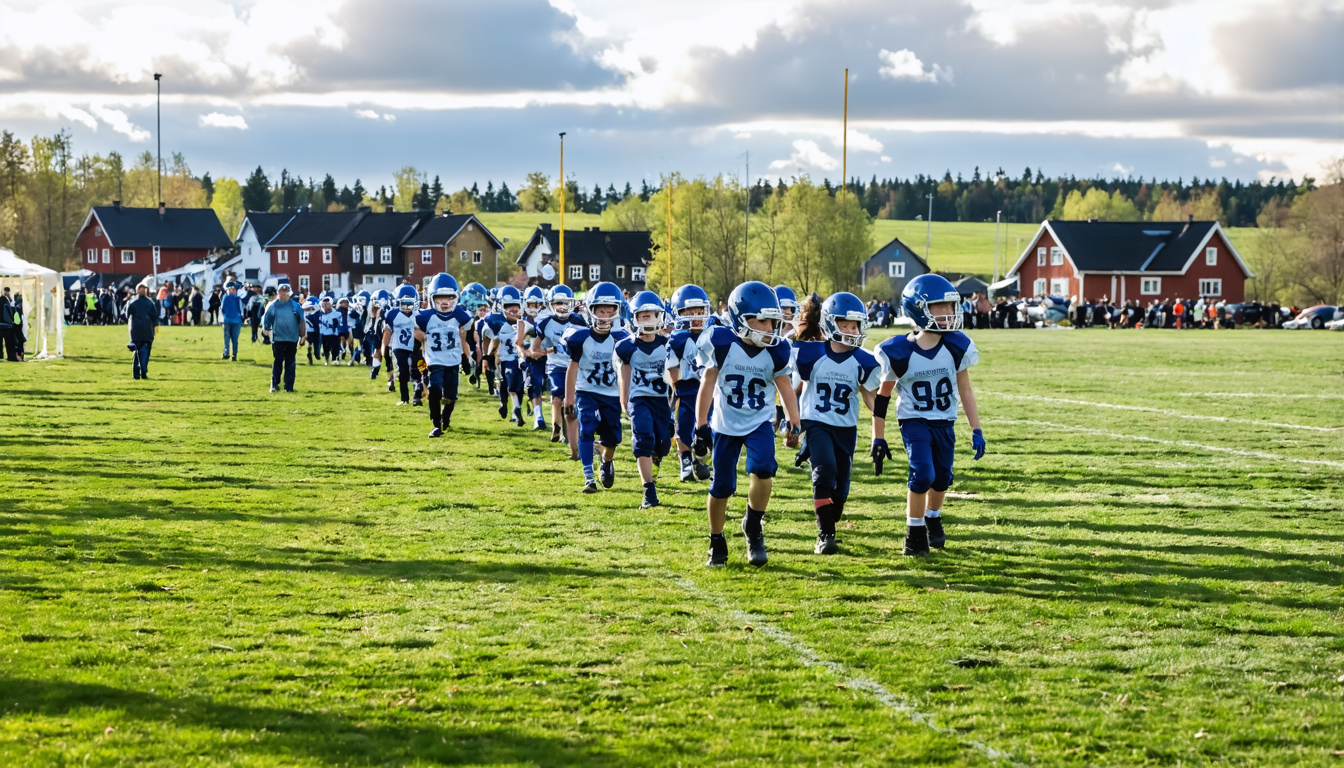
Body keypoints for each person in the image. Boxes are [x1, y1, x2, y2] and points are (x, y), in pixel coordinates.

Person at [871, 274, 985, 557]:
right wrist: (878, 436)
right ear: (918, 309)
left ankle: (933, 516)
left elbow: (966, 390)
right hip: (914, 420)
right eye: (940, 307)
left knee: (942, 478)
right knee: (923, 473)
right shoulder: (898, 351)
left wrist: (976, 428)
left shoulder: (956, 345)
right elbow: (883, 396)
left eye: (950, 307)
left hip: (944, 420)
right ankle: (914, 533)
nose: (948, 313)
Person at [695, 281, 800, 567]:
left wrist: (794, 420)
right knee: (722, 485)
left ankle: (753, 525)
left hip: (759, 421)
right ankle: (716, 539)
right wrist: (701, 424)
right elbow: (707, 384)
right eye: (763, 320)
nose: (770, 328)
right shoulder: (721, 342)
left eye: (773, 321)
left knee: (764, 468)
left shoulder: (777, 350)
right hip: (726, 423)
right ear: (741, 318)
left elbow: (785, 387)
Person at [792, 292, 882, 555]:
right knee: (825, 472)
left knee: (840, 492)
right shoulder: (809, 353)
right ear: (830, 323)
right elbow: (794, 389)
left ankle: (830, 519)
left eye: (855, 325)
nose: (852, 330)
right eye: (846, 324)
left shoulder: (863, 359)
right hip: (816, 423)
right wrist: (792, 424)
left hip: (846, 429)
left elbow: (870, 397)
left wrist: (885, 426)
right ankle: (825, 536)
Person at [563, 282, 629, 493]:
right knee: (587, 429)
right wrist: (569, 397)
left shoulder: (622, 339)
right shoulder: (580, 338)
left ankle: (606, 460)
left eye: (611, 310)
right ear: (591, 310)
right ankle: (588, 477)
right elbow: (572, 367)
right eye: (601, 310)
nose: (606, 315)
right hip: (586, 391)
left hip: (611, 394)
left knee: (612, 438)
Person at [617, 290, 675, 509]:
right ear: (634, 318)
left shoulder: (668, 345)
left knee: (662, 444)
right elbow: (625, 371)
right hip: (639, 397)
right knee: (643, 437)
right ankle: (649, 492)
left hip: (661, 400)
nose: (649, 320)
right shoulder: (626, 346)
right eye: (643, 316)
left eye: (652, 315)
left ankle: (656, 459)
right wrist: (624, 399)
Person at [665, 284, 715, 483]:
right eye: (691, 312)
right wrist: (677, 381)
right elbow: (672, 370)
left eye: (700, 311)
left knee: (707, 426)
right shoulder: (677, 339)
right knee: (683, 427)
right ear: (680, 314)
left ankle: (702, 461)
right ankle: (685, 461)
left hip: (708, 390)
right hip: (685, 391)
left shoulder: (711, 336)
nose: (696, 316)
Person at [415, 273, 472, 436]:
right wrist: (421, 365)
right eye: (440, 298)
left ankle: (445, 418)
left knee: (451, 397)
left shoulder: (460, 315)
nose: (445, 302)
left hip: (453, 361)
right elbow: (416, 347)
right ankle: (436, 424)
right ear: (432, 298)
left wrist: (465, 360)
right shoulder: (424, 317)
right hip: (434, 361)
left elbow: (465, 338)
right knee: (434, 389)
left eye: (449, 297)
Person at [534, 285, 587, 456]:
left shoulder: (579, 321)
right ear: (551, 304)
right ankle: (556, 425)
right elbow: (535, 349)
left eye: (565, 303)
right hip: (556, 364)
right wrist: (549, 351)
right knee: (557, 397)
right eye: (558, 303)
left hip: (575, 364)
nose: (562, 306)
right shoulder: (545, 323)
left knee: (572, 402)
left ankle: (570, 434)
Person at [483, 286, 526, 425]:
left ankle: (514, 408)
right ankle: (510, 406)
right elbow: (495, 341)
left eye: (516, 308)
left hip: (521, 360)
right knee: (508, 385)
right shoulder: (498, 324)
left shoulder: (524, 324)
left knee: (517, 387)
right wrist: (489, 356)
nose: (513, 311)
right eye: (509, 308)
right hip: (505, 360)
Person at [262, 283, 307, 392]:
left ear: (289, 293)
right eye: (281, 291)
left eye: (286, 291)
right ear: (278, 293)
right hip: (278, 338)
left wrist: (302, 334)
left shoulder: (295, 306)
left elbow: (301, 321)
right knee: (278, 360)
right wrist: (266, 331)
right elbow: (267, 320)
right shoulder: (273, 306)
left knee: (290, 362)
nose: (284, 293)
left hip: (292, 338)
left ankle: (289, 386)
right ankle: (274, 384)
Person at [383, 284, 423, 407]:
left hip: (416, 346)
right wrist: (384, 348)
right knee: (403, 373)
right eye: (403, 303)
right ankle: (405, 398)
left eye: (409, 303)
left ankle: (418, 395)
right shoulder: (392, 315)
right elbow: (387, 332)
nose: (406, 307)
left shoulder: (420, 315)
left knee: (421, 371)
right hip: (399, 347)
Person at [517, 286, 550, 431]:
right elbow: (518, 344)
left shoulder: (548, 319)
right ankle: (538, 417)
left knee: (551, 389)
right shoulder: (522, 322)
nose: (533, 307)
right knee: (534, 387)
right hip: (531, 359)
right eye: (530, 304)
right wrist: (525, 354)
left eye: (536, 304)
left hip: (548, 357)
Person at [126, 280, 159, 379]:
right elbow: (154, 317)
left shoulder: (132, 302)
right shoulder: (150, 303)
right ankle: (143, 371)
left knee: (137, 352)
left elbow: (126, 315)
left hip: (135, 330)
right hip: (147, 330)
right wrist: (156, 329)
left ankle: (136, 373)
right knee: (145, 352)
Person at [220, 281, 243, 360]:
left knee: (227, 338)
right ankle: (234, 354)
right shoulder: (237, 299)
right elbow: (240, 310)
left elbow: (222, 309)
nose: (234, 291)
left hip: (227, 320)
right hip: (235, 321)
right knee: (234, 339)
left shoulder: (225, 298)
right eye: (232, 289)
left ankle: (227, 353)